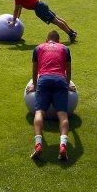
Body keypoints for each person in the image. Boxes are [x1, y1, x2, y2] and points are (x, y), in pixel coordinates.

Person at [27, 31, 75, 161]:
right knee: (63, 115)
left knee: (39, 113)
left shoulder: (38, 48)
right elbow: (68, 70)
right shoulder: (65, 48)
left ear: (46, 39)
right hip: (60, 80)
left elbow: (35, 71)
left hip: (44, 80)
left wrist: (35, 86)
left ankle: (38, 145)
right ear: (58, 41)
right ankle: (63, 146)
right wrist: (67, 84)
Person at [3, 0, 77, 42]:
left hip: (39, 8)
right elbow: (20, 8)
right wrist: (17, 19)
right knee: (57, 18)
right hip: (40, 4)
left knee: (55, 21)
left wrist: (13, 21)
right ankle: (72, 32)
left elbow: (16, 10)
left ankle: (71, 34)